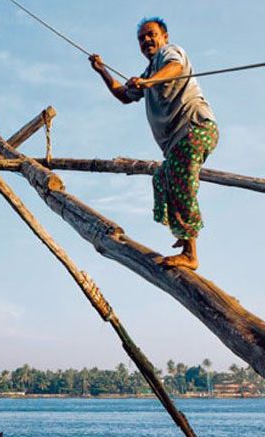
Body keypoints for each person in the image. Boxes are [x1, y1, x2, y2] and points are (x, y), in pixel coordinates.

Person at [89, 17, 218, 270]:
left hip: (195, 127)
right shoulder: (149, 73)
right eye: (141, 38)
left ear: (164, 37)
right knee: (162, 177)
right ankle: (183, 237)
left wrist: (147, 82)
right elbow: (123, 96)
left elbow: (175, 68)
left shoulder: (170, 53)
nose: (146, 40)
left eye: (151, 35)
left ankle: (191, 254)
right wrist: (102, 71)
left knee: (181, 179)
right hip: (176, 142)